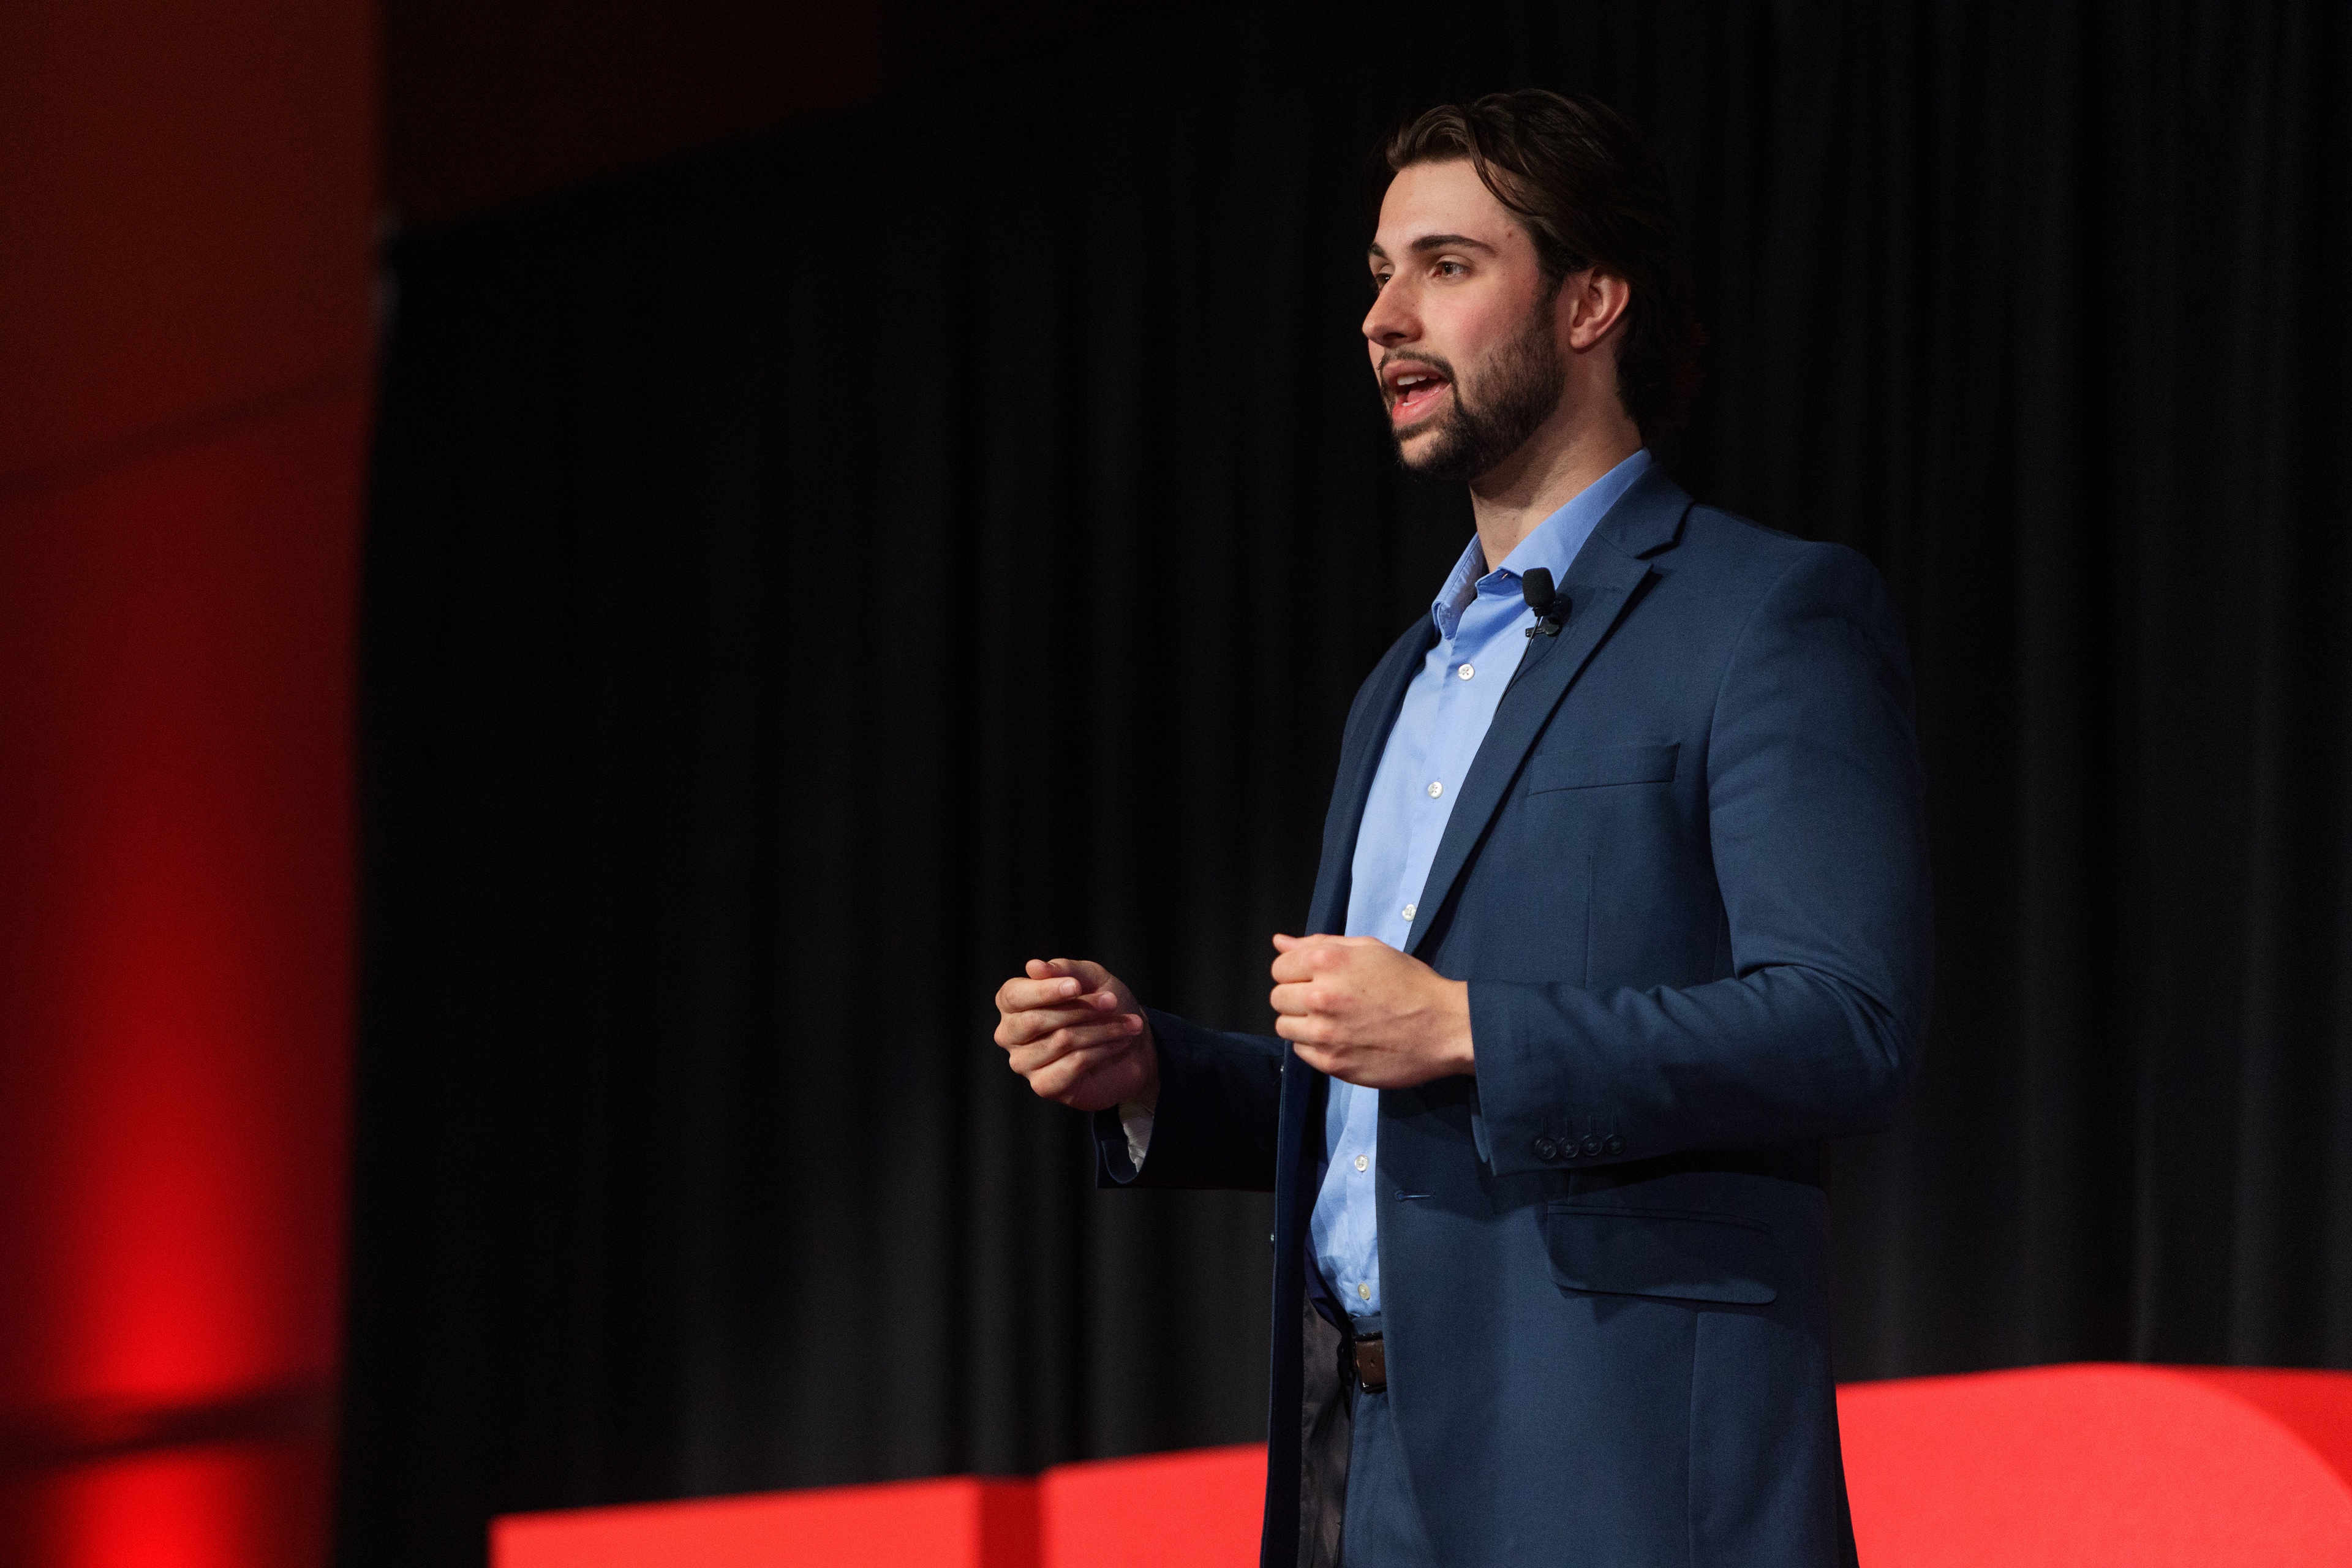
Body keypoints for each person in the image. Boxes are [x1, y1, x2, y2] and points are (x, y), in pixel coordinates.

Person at [992, 89, 1929, 1568]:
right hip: (1365, 1463)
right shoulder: (1405, 679)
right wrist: (1162, 1071)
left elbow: (1845, 1021)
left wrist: (1473, 1023)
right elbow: (1385, 1103)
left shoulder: (1767, 614)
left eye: (1444, 264)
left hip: (1618, 1475)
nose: (1383, 315)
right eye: (1377, 273)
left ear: (1590, 300)